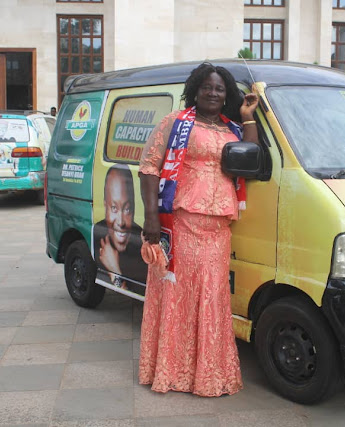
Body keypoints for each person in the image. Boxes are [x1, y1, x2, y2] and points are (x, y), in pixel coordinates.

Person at [138, 62, 259, 397]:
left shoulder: (232, 128)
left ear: (227, 95)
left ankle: (207, 374)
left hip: (218, 228)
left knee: (212, 297)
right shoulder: (175, 122)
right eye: (207, 87)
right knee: (178, 295)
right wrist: (150, 217)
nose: (213, 93)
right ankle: (173, 371)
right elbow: (149, 168)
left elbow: (251, 158)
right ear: (195, 90)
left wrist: (248, 116)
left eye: (219, 89)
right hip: (182, 222)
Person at [93, 164, 147, 293]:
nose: (121, 222)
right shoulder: (96, 234)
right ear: (105, 207)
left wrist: (114, 270)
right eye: (114, 208)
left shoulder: (143, 248)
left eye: (127, 209)